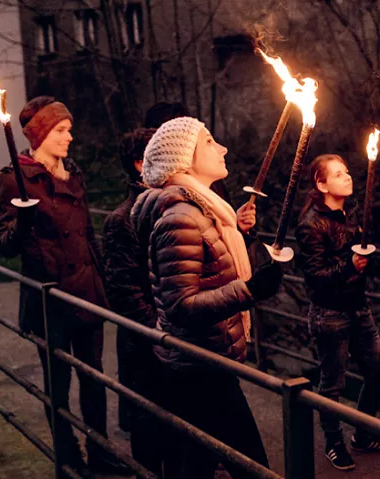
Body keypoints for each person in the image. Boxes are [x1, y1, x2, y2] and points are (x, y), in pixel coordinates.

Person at [131, 117, 282, 478]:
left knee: (199, 462)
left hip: (208, 360)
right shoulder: (181, 218)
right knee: (253, 467)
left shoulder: (207, 212)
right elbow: (181, 305)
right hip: (200, 366)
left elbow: (211, 268)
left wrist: (244, 243)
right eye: (210, 142)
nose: (222, 148)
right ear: (184, 158)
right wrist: (249, 290)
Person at [0, 96, 128, 475]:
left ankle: (101, 452)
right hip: (48, 296)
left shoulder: (74, 174)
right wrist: (21, 221)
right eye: (61, 130)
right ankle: (68, 456)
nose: (70, 136)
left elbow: (88, 234)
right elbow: (5, 245)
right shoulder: (13, 179)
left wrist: (106, 282)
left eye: (69, 129)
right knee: (58, 382)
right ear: (41, 134)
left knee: (94, 378)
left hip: (86, 292)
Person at [296, 154, 380, 471]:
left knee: (379, 374)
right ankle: (333, 443)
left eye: (347, 171)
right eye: (339, 174)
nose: (348, 177)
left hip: (358, 307)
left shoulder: (350, 212)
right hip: (329, 313)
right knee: (332, 385)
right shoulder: (310, 223)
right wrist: (349, 265)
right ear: (321, 183)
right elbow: (314, 277)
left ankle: (363, 435)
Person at [101, 127, 162, 473]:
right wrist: (161, 333)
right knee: (149, 436)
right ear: (140, 164)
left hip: (173, 343)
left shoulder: (177, 207)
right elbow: (124, 292)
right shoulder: (121, 221)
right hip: (147, 347)